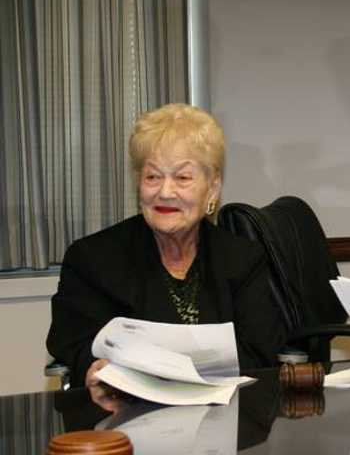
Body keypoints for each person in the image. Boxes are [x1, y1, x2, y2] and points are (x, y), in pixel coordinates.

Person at [47, 103, 286, 389]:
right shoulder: (93, 258)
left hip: (225, 414)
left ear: (212, 188)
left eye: (182, 177)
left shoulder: (243, 259)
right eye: (153, 176)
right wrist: (93, 368)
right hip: (127, 414)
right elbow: (75, 344)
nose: (165, 191)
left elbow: (260, 351)